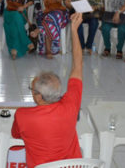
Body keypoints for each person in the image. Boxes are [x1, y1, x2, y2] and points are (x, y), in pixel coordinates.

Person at [11, 13, 84, 168]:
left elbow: (15, 135)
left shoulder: (22, 115)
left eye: (32, 89)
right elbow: (78, 66)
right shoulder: (71, 105)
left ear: (39, 96)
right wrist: (74, 31)